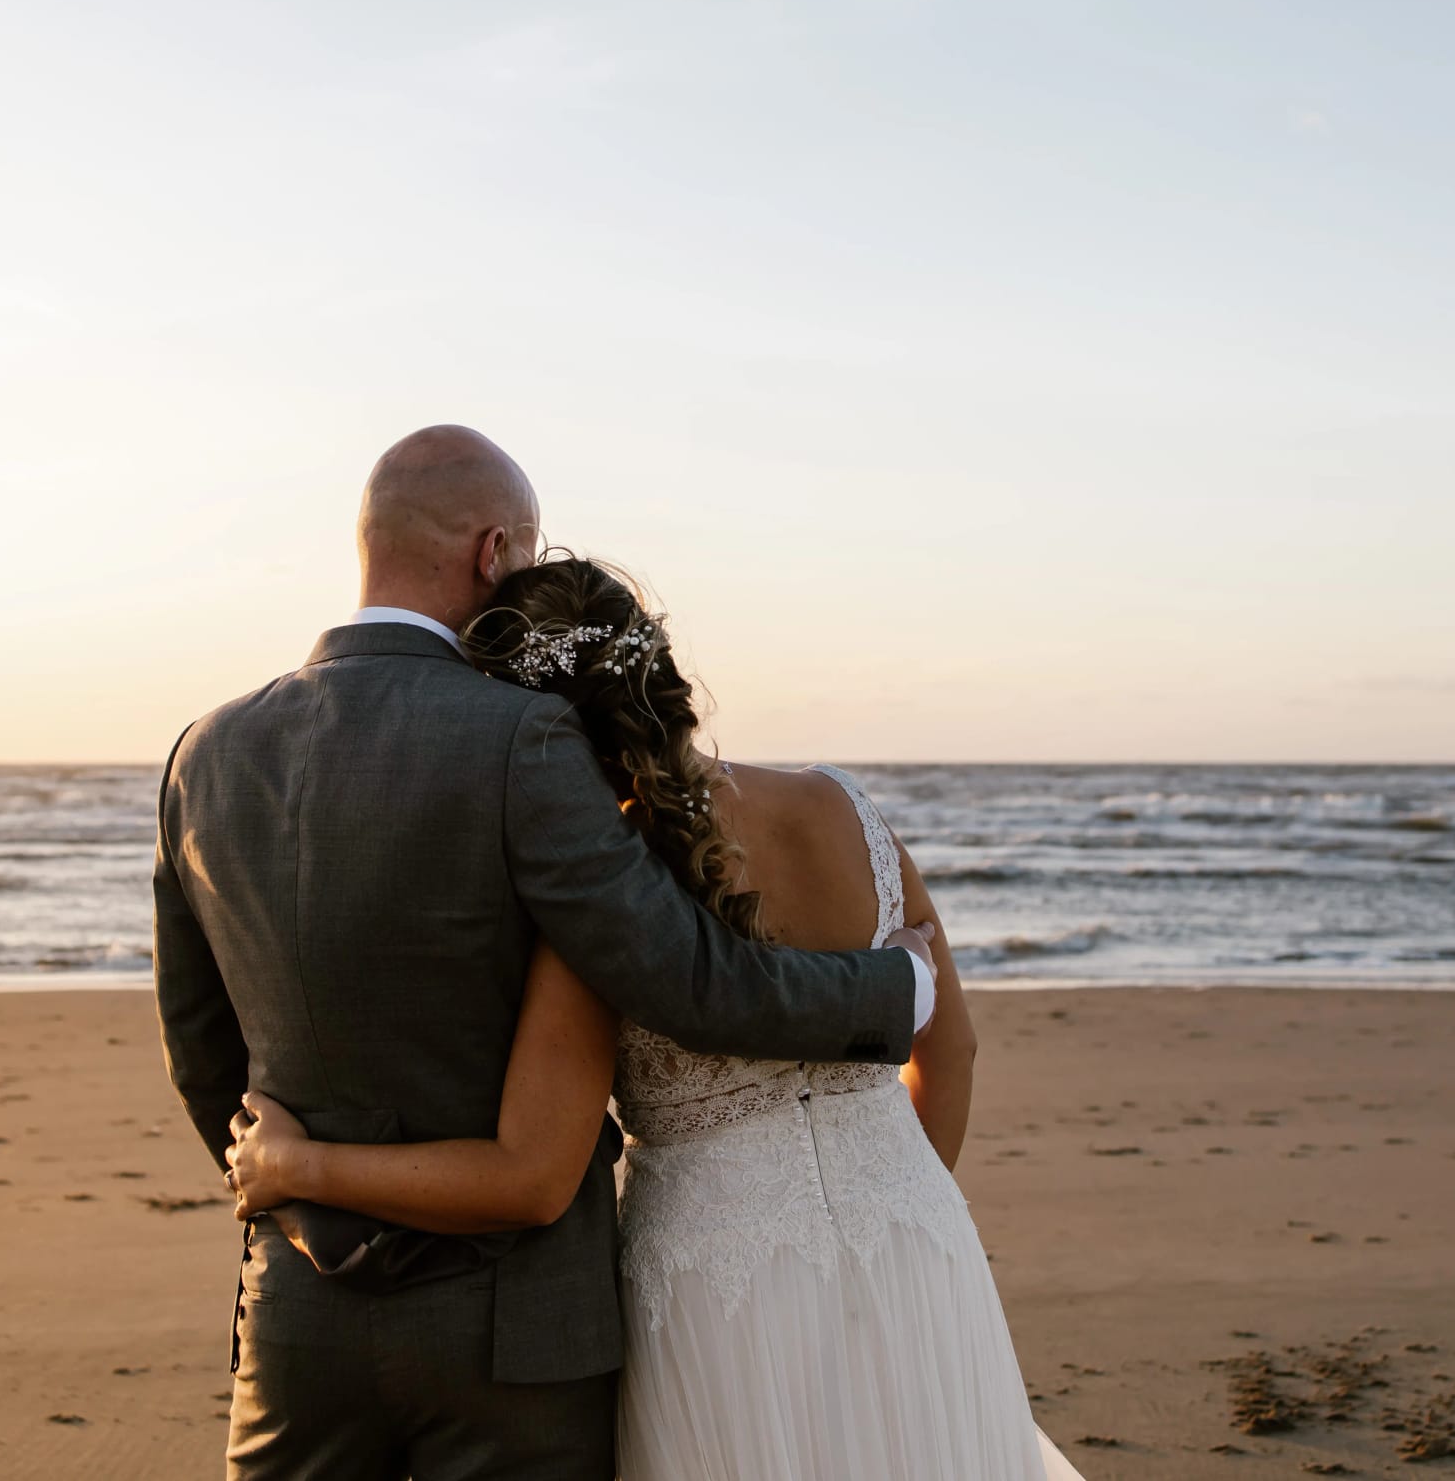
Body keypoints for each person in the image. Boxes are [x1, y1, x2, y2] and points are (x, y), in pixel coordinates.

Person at [153, 426, 938, 1480]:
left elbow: (202, 1055)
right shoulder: (523, 739)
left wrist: (303, 1205)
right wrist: (899, 986)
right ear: (494, 552)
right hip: (515, 1332)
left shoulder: (203, 752)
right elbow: (685, 976)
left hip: (301, 1316)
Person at [226, 553, 1083, 1481]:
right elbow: (951, 1052)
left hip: (719, 1286)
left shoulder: (603, 890)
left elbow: (533, 1164)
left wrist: (299, 1164)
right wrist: (885, 1206)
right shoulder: (846, 807)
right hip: (917, 1242)